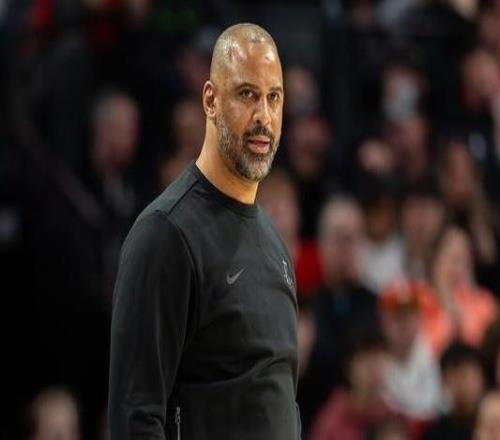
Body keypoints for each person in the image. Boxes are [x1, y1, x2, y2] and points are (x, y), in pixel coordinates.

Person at [108, 23, 301, 440]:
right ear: (210, 100)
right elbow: (135, 416)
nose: (263, 116)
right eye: (247, 94)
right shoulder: (165, 235)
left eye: (274, 97)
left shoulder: (275, 245)